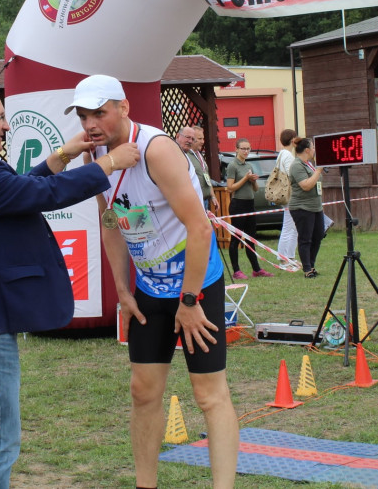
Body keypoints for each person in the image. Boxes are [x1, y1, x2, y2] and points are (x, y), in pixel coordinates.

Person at [0, 85, 139, 489]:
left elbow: (18, 191)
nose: (6, 126)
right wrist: (108, 163)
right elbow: (43, 194)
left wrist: (64, 154)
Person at [69, 74, 238, 489]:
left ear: (123, 108)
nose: (91, 123)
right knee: (143, 392)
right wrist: (123, 291)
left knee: (207, 394)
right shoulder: (96, 159)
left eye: (100, 113)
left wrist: (191, 299)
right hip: (148, 289)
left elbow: (199, 228)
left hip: (195, 284)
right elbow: (111, 222)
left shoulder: (156, 149)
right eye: (84, 115)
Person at [224, 139, 271, 279]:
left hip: (250, 204)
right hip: (238, 204)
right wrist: (245, 178)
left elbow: (255, 189)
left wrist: (253, 180)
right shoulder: (232, 166)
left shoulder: (249, 165)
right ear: (236, 149)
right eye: (243, 148)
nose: (246, 151)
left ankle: (256, 269)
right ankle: (236, 270)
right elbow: (230, 188)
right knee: (236, 238)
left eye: (248, 149)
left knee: (251, 238)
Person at [288, 137, 325, 278]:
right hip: (302, 207)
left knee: (318, 235)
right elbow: (306, 185)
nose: (315, 150)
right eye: (313, 147)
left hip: (316, 207)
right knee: (306, 238)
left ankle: (312, 264)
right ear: (307, 150)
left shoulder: (309, 164)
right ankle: (307, 268)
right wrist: (319, 171)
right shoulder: (297, 165)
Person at [275, 128, 299, 261]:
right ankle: (285, 256)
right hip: (290, 195)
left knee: (291, 226)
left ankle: (288, 255)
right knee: (290, 226)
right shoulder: (288, 156)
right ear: (292, 140)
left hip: (286, 194)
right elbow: (292, 174)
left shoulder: (281, 154)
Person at [190, 126, 218, 212]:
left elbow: (207, 178)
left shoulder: (199, 155)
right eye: (200, 139)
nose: (203, 142)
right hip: (194, 202)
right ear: (192, 139)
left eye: (203, 139)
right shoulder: (186, 156)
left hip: (205, 200)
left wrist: (213, 196)